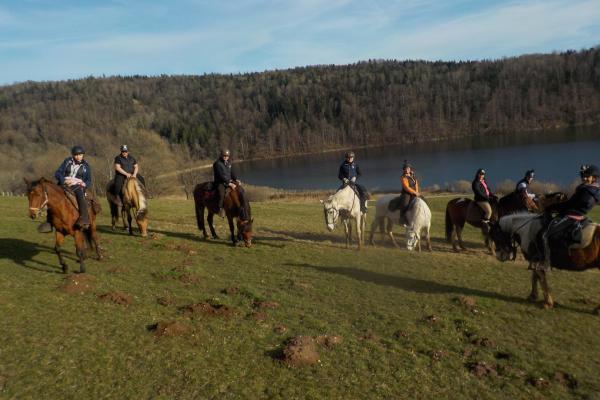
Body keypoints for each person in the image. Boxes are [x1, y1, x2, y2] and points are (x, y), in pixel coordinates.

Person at [542, 165, 600, 266]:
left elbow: (569, 205)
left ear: (594, 178)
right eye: (583, 175)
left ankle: (546, 261)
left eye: (587, 176)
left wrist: (552, 207)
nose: (584, 178)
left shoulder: (585, 190)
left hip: (572, 216)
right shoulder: (595, 190)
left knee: (546, 234)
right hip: (581, 215)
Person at [54, 145, 92, 229]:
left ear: (83, 155)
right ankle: (49, 220)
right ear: (73, 155)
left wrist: (84, 184)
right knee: (53, 194)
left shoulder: (86, 166)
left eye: (80, 155)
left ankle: (84, 218)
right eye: (76, 155)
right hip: (64, 183)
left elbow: (89, 180)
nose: (78, 157)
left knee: (79, 194)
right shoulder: (67, 161)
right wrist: (63, 180)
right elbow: (57, 173)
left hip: (77, 185)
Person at [213, 149, 239, 218]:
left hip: (228, 181)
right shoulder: (217, 164)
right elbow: (221, 175)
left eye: (227, 156)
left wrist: (236, 179)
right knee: (222, 193)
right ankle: (220, 209)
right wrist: (229, 183)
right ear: (221, 155)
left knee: (239, 189)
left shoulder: (229, 162)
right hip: (220, 182)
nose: (225, 157)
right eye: (224, 156)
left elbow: (232, 172)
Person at [398, 160, 420, 225]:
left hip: (414, 193)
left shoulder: (412, 175)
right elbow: (406, 187)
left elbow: (416, 184)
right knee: (405, 205)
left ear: (410, 169)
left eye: (408, 168)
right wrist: (415, 193)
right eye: (406, 168)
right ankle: (403, 220)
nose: (407, 170)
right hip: (406, 193)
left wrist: (417, 192)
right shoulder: (403, 177)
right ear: (404, 170)